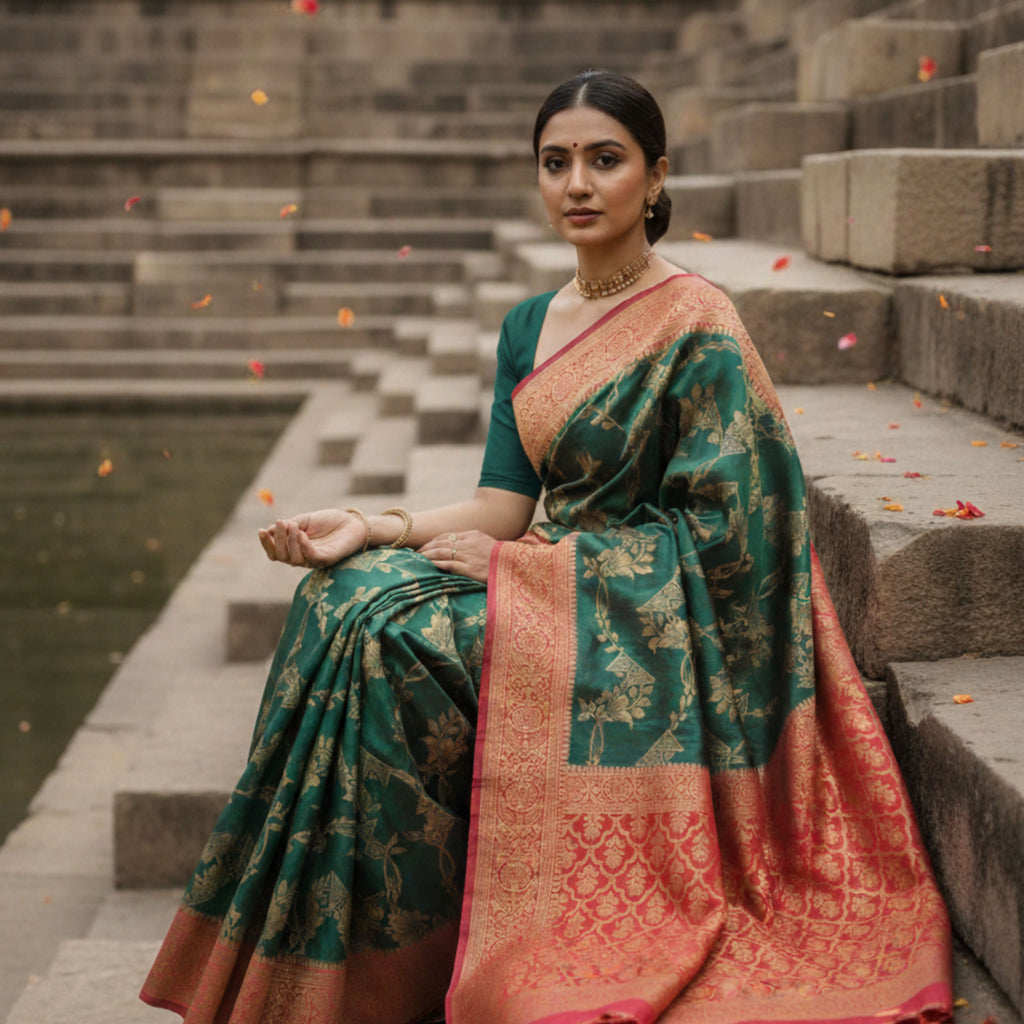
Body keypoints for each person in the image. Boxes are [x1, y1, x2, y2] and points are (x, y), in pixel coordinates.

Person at [141, 70, 953, 1024]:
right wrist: (375, 526)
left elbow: (740, 538)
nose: (577, 183)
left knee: (397, 646)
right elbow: (501, 503)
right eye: (555, 162)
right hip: (541, 585)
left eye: (604, 160)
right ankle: (347, 970)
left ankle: (419, 960)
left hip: (644, 631)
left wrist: (537, 573)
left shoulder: (700, 326)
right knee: (342, 598)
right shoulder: (529, 325)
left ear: (655, 179)